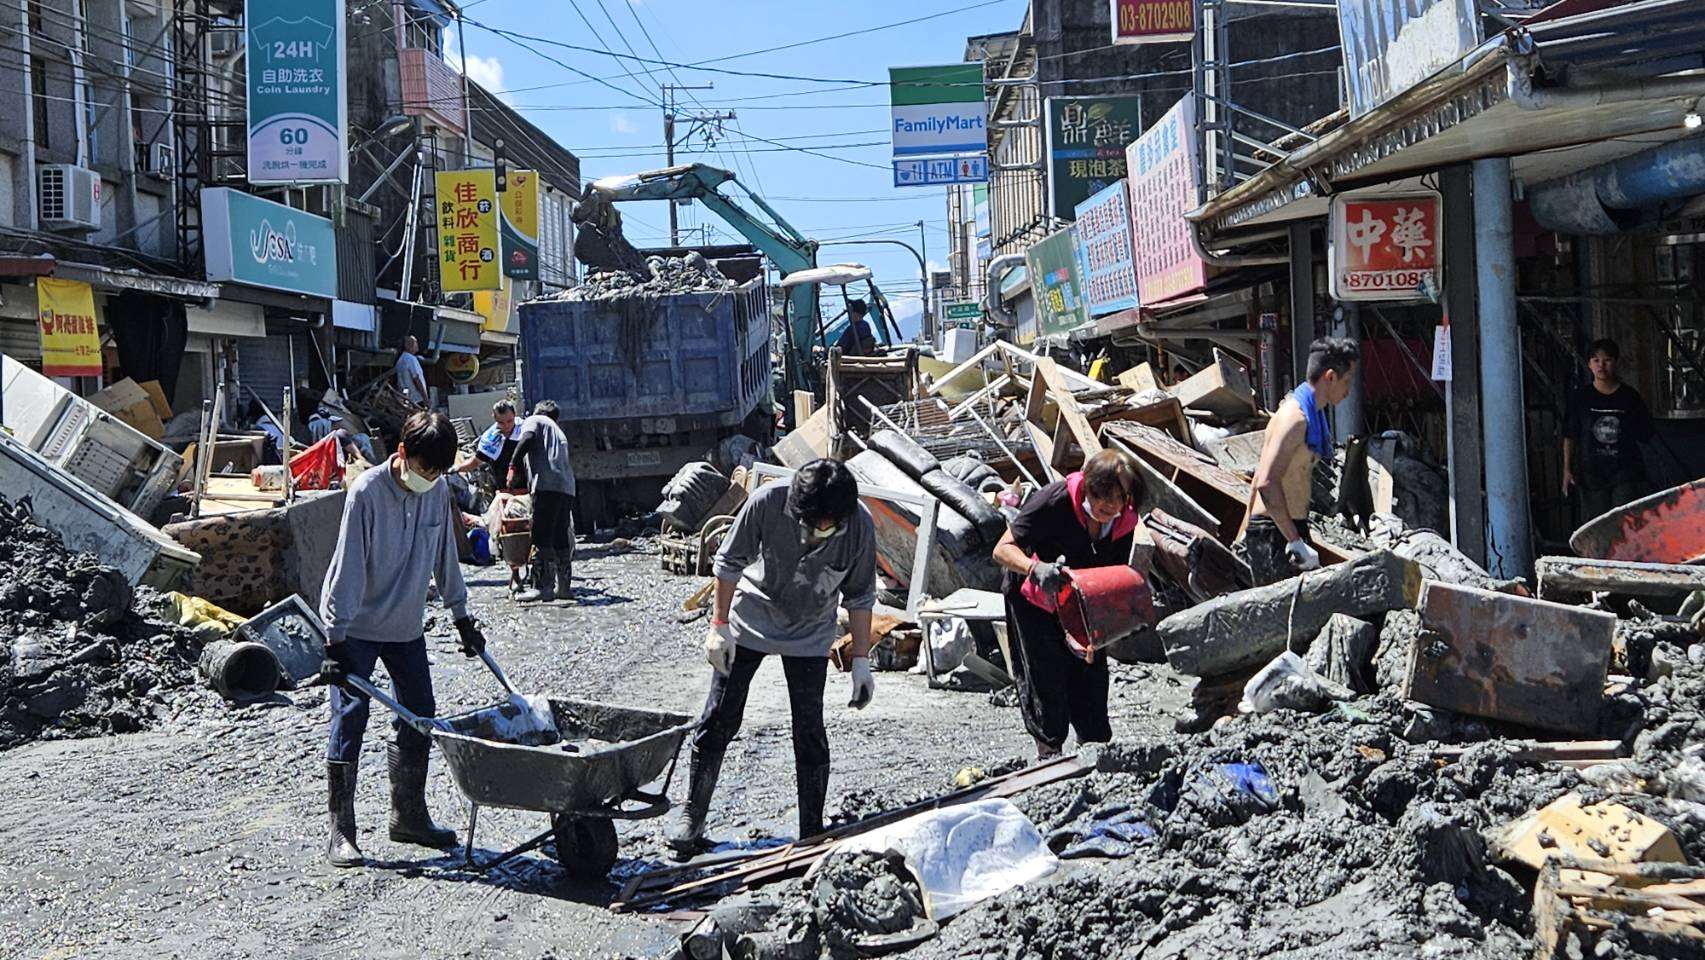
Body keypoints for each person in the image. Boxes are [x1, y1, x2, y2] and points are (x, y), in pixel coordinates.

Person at [667, 459, 877, 855]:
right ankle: (692, 816)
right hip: (752, 618)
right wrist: (719, 625)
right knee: (720, 715)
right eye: (813, 523)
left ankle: (811, 830)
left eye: (828, 525)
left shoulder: (859, 525)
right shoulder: (767, 501)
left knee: (809, 728)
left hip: (811, 628)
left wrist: (861, 660)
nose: (820, 532)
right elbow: (728, 562)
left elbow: (861, 594)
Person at [315, 411, 489, 868]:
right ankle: (342, 830)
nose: (429, 479)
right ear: (402, 454)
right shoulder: (367, 494)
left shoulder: (434, 494)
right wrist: (334, 641)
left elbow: (445, 555)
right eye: (424, 468)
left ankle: (407, 816)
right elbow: (347, 566)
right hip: (357, 627)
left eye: (438, 472)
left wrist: (461, 616)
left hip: (406, 627)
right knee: (351, 715)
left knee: (420, 714)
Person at [991, 449, 1143, 760]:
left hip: (1084, 600)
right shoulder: (1054, 501)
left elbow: (1115, 569)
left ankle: (1095, 747)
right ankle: (1050, 752)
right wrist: (1035, 568)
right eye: (1101, 495)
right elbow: (1001, 549)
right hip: (1034, 599)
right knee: (1045, 671)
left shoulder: (1123, 520)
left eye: (1117, 498)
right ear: (1087, 487)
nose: (1107, 505)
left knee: (1091, 672)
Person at [1238, 337, 1359, 587]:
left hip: (1285, 529)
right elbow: (1265, 482)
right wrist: (1294, 541)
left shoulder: (1309, 414)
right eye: (1347, 381)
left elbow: (1260, 476)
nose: (1349, 390)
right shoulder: (1296, 420)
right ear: (1330, 377)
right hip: (1275, 534)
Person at [1563, 338, 1654, 520]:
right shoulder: (1581, 398)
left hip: (1624, 471)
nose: (1601, 365)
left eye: (1607, 360)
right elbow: (1570, 434)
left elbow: (1645, 432)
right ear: (1589, 364)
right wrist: (1566, 469)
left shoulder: (1629, 397)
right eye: (1596, 360)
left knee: (1624, 522)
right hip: (1591, 473)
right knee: (1598, 524)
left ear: (1616, 362)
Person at [507, 400, 576, 602]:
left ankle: (542, 587)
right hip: (567, 487)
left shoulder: (535, 420)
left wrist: (512, 466)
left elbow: (526, 438)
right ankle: (563, 587)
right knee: (560, 536)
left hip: (547, 485)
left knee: (541, 535)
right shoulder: (557, 431)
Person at [453, 399, 527, 491]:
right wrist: (455, 469)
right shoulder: (490, 438)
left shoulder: (526, 429)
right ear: (495, 419)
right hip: (504, 489)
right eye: (501, 422)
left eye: (510, 421)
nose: (506, 426)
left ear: (515, 415)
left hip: (529, 486)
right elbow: (476, 462)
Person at [394, 336, 428, 406]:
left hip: (406, 399)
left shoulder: (400, 360)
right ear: (407, 346)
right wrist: (425, 399)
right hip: (417, 399)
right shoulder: (411, 359)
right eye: (415, 342)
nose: (417, 345)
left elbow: (401, 384)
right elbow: (416, 379)